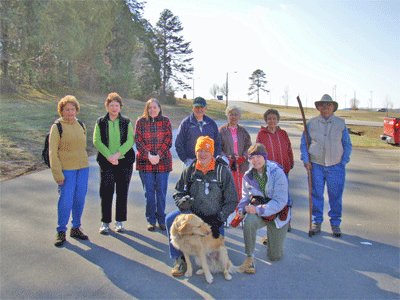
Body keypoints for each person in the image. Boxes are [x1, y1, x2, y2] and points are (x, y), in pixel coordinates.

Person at [165, 136, 238, 277]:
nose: (202, 154)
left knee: (215, 258)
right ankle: (180, 259)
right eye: (200, 150)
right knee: (170, 219)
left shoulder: (222, 172)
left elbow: (232, 200)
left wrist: (221, 217)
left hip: (214, 217)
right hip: (193, 214)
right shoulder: (189, 170)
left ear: (212, 153)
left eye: (206, 150)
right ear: (195, 152)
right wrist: (182, 202)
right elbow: (178, 191)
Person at [300, 94, 352, 238]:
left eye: (329, 105)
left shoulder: (340, 123)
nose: (326, 107)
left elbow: (347, 144)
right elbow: (305, 143)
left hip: (336, 166)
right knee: (316, 194)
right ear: (318, 107)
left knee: (335, 196)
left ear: (333, 107)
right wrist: (306, 160)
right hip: (316, 165)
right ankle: (317, 222)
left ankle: (335, 223)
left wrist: (343, 161)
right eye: (323, 105)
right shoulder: (311, 123)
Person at [236, 143, 290, 271]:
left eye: (258, 156)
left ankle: (271, 237)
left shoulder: (277, 172)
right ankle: (249, 256)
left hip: (278, 213)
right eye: (252, 158)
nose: (255, 161)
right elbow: (245, 196)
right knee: (249, 220)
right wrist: (241, 209)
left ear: (265, 157)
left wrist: (258, 209)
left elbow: (280, 201)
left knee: (275, 256)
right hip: (260, 213)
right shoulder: (248, 176)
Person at [50, 95, 90, 247]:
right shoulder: (57, 127)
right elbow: (52, 152)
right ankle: (61, 231)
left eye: (73, 109)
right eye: (67, 109)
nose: (70, 112)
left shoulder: (80, 124)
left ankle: (76, 228)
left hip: (83, 168)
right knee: (66, 201)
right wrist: (57, 174)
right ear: (61, 111)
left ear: (76, 110)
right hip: (67, 170)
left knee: (79, 199)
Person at [93, 92, 135, 235]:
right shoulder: (100, 122)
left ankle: (120, 222)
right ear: (107, 106)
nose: (114, 108)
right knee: (106, 191)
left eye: (117, 105)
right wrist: (109, 156)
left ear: (120, 107)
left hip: (124, 162)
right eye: (111, 105)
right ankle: (105, 223)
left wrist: (117, 154)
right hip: (106, 162)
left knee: (122, 192)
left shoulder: (126, 122)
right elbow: (96, 140)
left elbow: (130, 140)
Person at [135, 98, 172, 231]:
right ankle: (151, 220)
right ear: (146, 109)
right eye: (149, 107)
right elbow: (138, 140)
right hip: (145, 162)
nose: (152, 110)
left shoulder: (166, 121)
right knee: (149, 192)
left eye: (154, 107)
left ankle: (162, 219)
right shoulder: (140, 122)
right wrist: (149, 155)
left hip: (163, 162)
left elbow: (168, 140)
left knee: (161, 192)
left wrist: (159, 155)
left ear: (159, 108)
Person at [256, 108, 294, 238]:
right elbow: (258, 152)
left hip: (283, 171)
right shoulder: (262, 134)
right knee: (271, 198)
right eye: (269, 118)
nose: (272, 121)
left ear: (278, 120)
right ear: (266, 120)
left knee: (285, 196)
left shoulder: (283, 133)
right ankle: (271, 222)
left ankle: (286, 220)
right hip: (269, 172)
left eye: (274, 118)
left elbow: (289, 149)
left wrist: (290, 163)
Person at [219, 104, 252, 223]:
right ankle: (228, 214)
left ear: (239, 116)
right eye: (231, 114)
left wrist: (244, 157)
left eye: (236, 114)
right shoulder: (222, 130)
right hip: (228, 164)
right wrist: (226, 158)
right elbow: (218, 147)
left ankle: (241, 213)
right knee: (228, 189)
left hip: (241, 164)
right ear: (227, 116)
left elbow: (249, 147)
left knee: (241, 189)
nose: (233, 117)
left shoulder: (243, 131)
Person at [175, 97, 221, 167]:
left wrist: (214, 158)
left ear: (205, 108)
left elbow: (218, 143)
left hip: (209, 163)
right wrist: (185, 160)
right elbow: (178, 143)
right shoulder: (185, 123)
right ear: (192, 107)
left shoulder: (211, 123)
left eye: (201, 107)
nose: (199, 109)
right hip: (190, 163)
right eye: (196, 107)